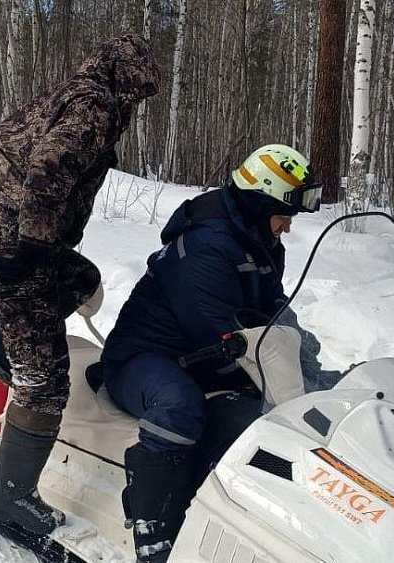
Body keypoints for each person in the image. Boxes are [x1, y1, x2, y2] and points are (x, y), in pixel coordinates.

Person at [0, 34, 160, 535]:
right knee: (46, 383)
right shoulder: (96, 105)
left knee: (83, 277)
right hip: (15, 246)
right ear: (123, 79)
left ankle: (1, 342)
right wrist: (31, 242)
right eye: (137, 91)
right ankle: (12, 497)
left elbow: (8, 145)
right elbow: (50, 166)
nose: (136, 103)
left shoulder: (64, 93)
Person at [100, 144, 329, 562]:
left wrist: (312, 367)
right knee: (179, 406)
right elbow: (222, 330)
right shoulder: (206, 245)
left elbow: (272, 307)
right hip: (144, 357)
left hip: (203, 356)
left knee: (265, 413)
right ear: (262, 201)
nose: (289, 227)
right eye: (286, 214)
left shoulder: (259, 240)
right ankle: (156, 536)